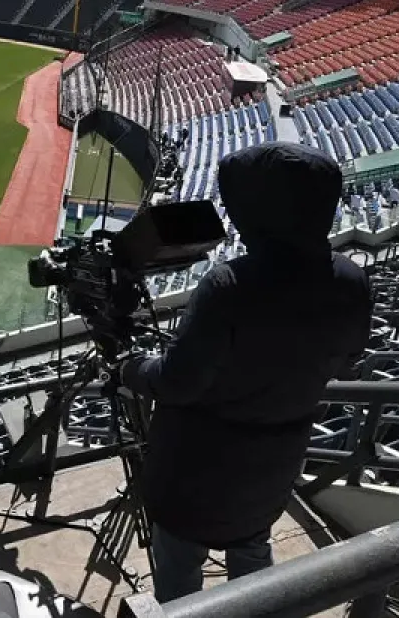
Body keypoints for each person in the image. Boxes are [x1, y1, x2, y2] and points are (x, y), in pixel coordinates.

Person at [118, 142, 371, 604]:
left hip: (196, 470)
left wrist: (131, 370)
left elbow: (178, 381)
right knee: (253, 549)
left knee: (180, 572)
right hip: (274, 464)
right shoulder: (352, 279)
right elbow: (346, 355)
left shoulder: (229, 286)